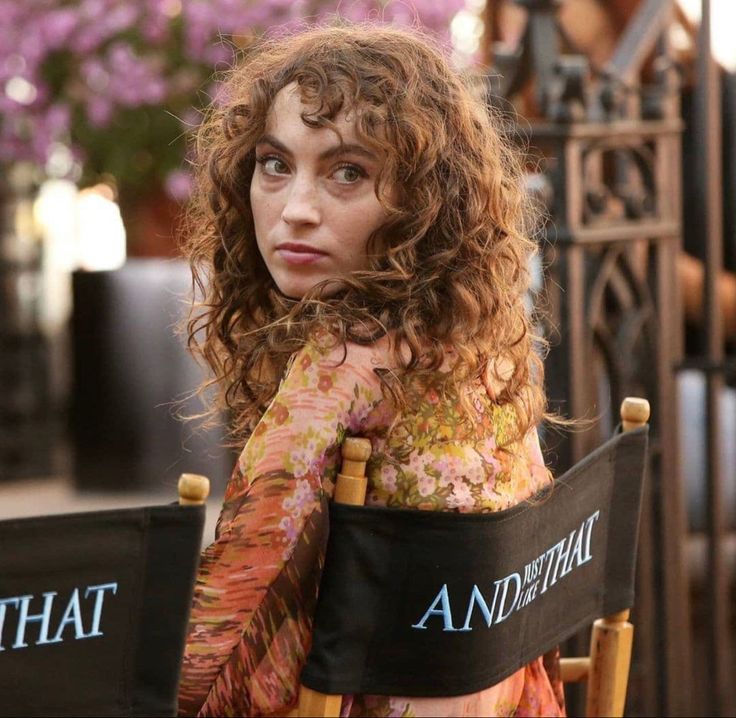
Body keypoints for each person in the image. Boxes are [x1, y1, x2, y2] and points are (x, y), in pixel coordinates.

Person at [177, 22, 564, 718]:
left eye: (347, 172)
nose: (295, 210)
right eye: (274, 163)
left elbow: (232, 611)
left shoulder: (347, 363)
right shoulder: (492, 344)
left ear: (424, 199)